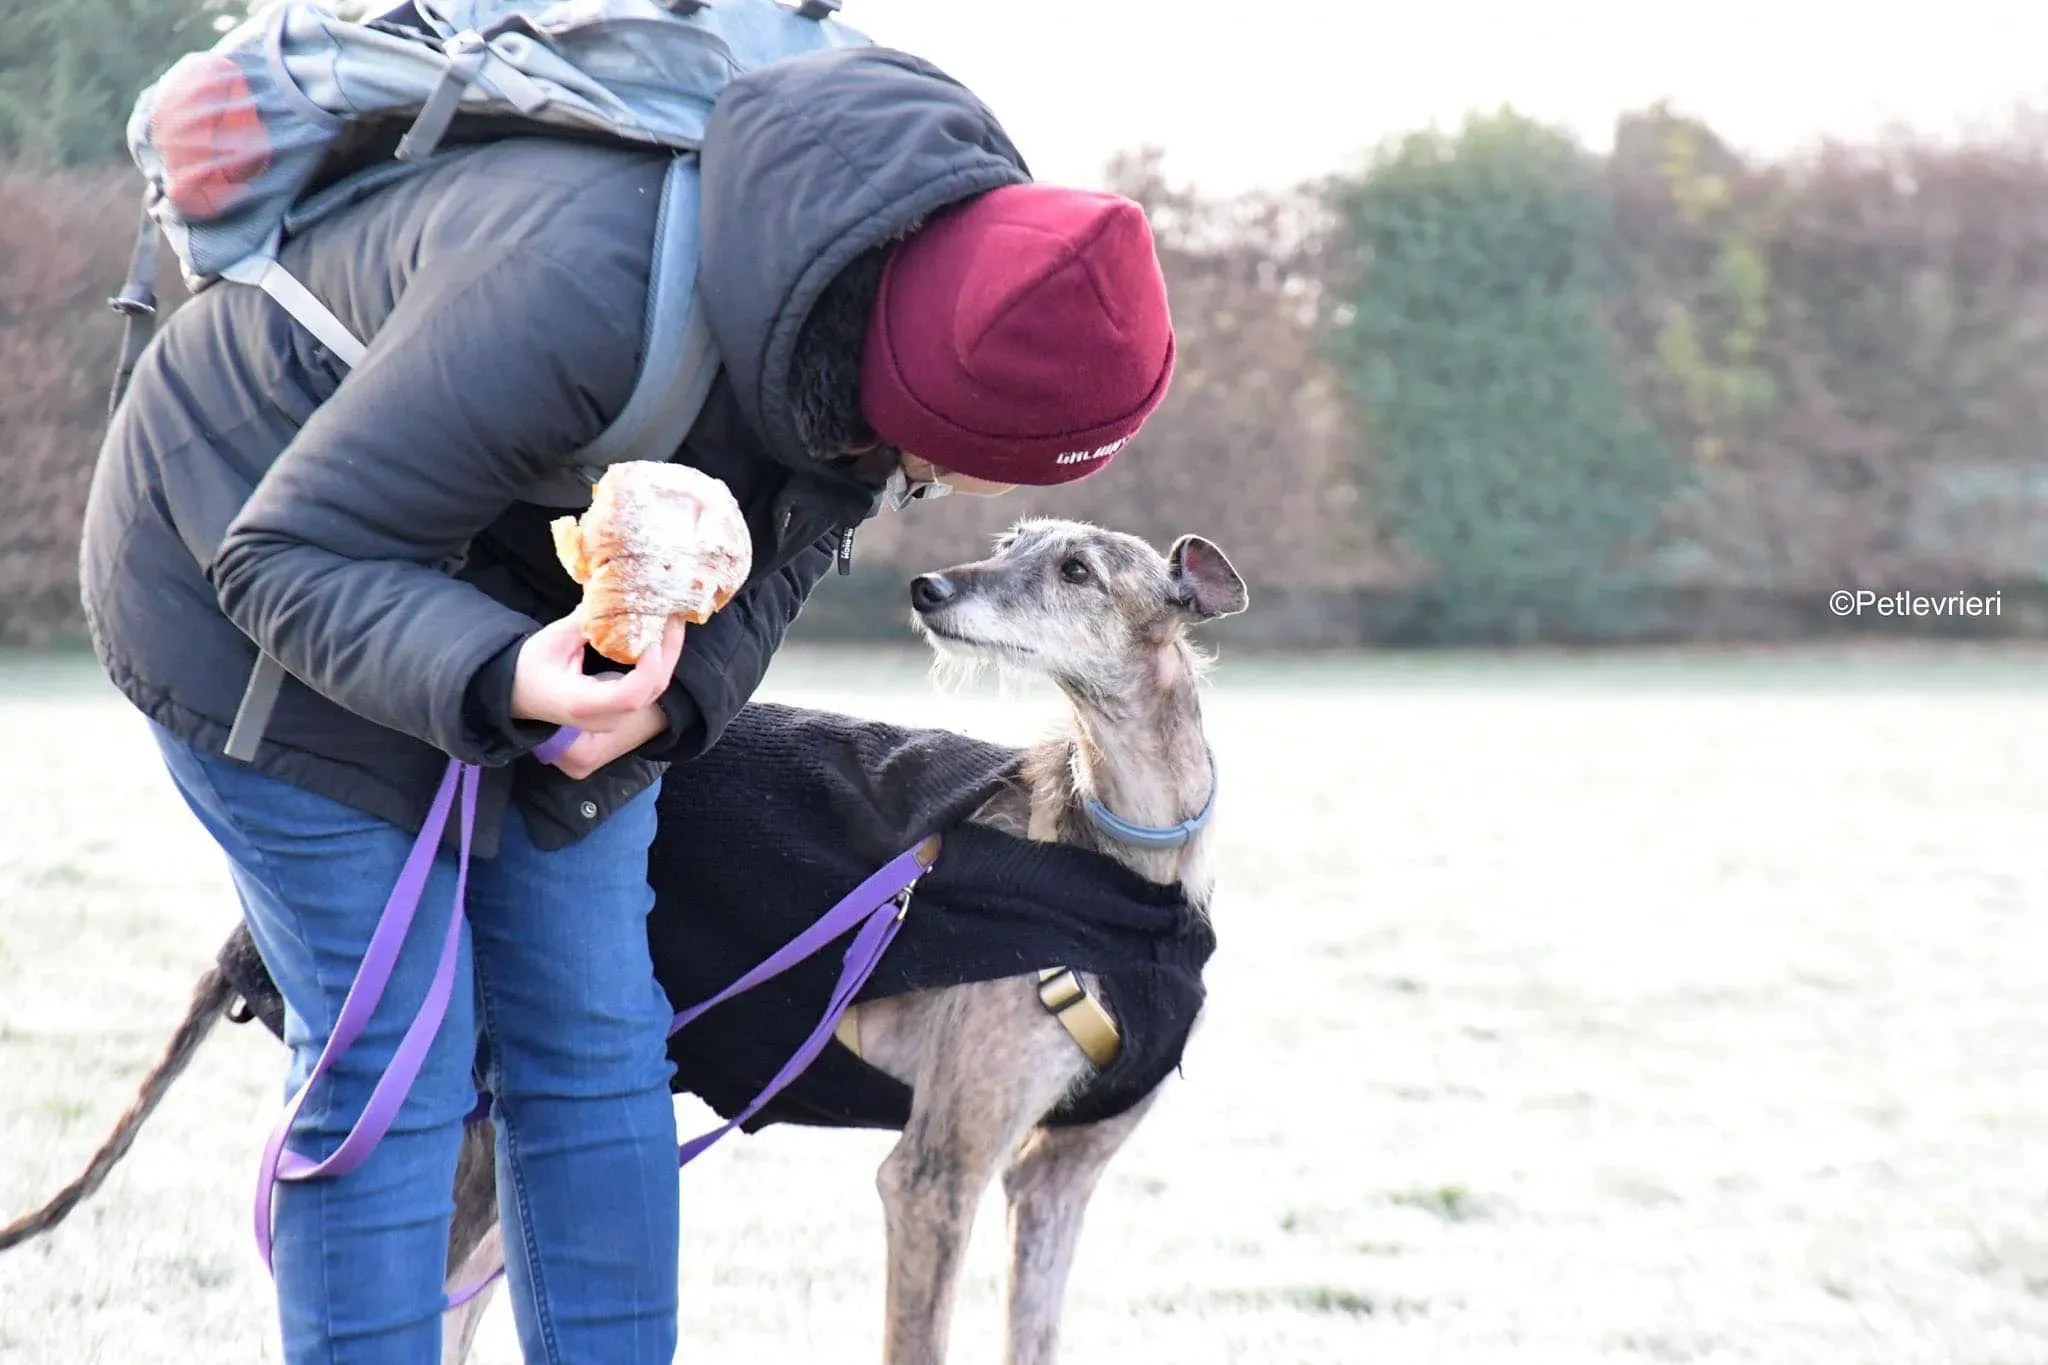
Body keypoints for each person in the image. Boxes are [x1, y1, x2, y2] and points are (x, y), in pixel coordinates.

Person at [75, 38, 1175, 1365]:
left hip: (526, 591)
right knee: (402, 1067)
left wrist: (673, 702)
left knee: (597, 1049)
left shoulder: (887, 323)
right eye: (936, 468)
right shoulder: (584, 279)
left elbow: (789, 538)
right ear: (906, 375)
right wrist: (496, 675)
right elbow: (284, 551)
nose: (927, 490)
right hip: (244, 567)